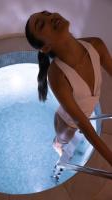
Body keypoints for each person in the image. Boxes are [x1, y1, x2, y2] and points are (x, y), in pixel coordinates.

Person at [25, 10, 112, 166]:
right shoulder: (57, 74)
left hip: (77, 110)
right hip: (67, 122)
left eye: (48, 14)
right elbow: (84, 125)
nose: (51, 17)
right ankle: (57, 145)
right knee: (63, 139)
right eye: (41, 24)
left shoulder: (96, 45)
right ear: (45, 48)